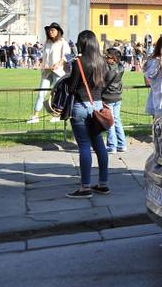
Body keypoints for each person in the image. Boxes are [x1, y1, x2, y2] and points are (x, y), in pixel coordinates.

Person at [65, 30, 111, 198]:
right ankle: (103, 184)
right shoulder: (102, 61)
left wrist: (68, 72)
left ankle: (85, 187)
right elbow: (105, 84)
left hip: (81, 105)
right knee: (99, 145)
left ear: (82, 44)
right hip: (97, 106)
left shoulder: (78, 62)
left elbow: (71, 87)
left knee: (84, 145)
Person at [29, 22, 69, 124]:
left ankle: (57, 115)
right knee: (41, 93)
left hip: (58, 72)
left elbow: (66, 56)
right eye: (49, 30)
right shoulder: (47, 42)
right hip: (46, 71)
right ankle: (35, 116)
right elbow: (44, 56)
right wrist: (38, 62)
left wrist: (59, 64)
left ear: (58, 31)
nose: (51, 32)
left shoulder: (63, 42)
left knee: (56, 94)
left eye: (53, 30)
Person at [102, 47, 127, 154]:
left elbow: (103, 81)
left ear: (113, 58)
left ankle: (112, 145)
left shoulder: (107, 69)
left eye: (107, 57)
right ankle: (122, 144)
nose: (105, 58)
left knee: (110, 121)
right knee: (116, 120)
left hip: (108, 97)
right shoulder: (120, 67)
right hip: (117, 96)